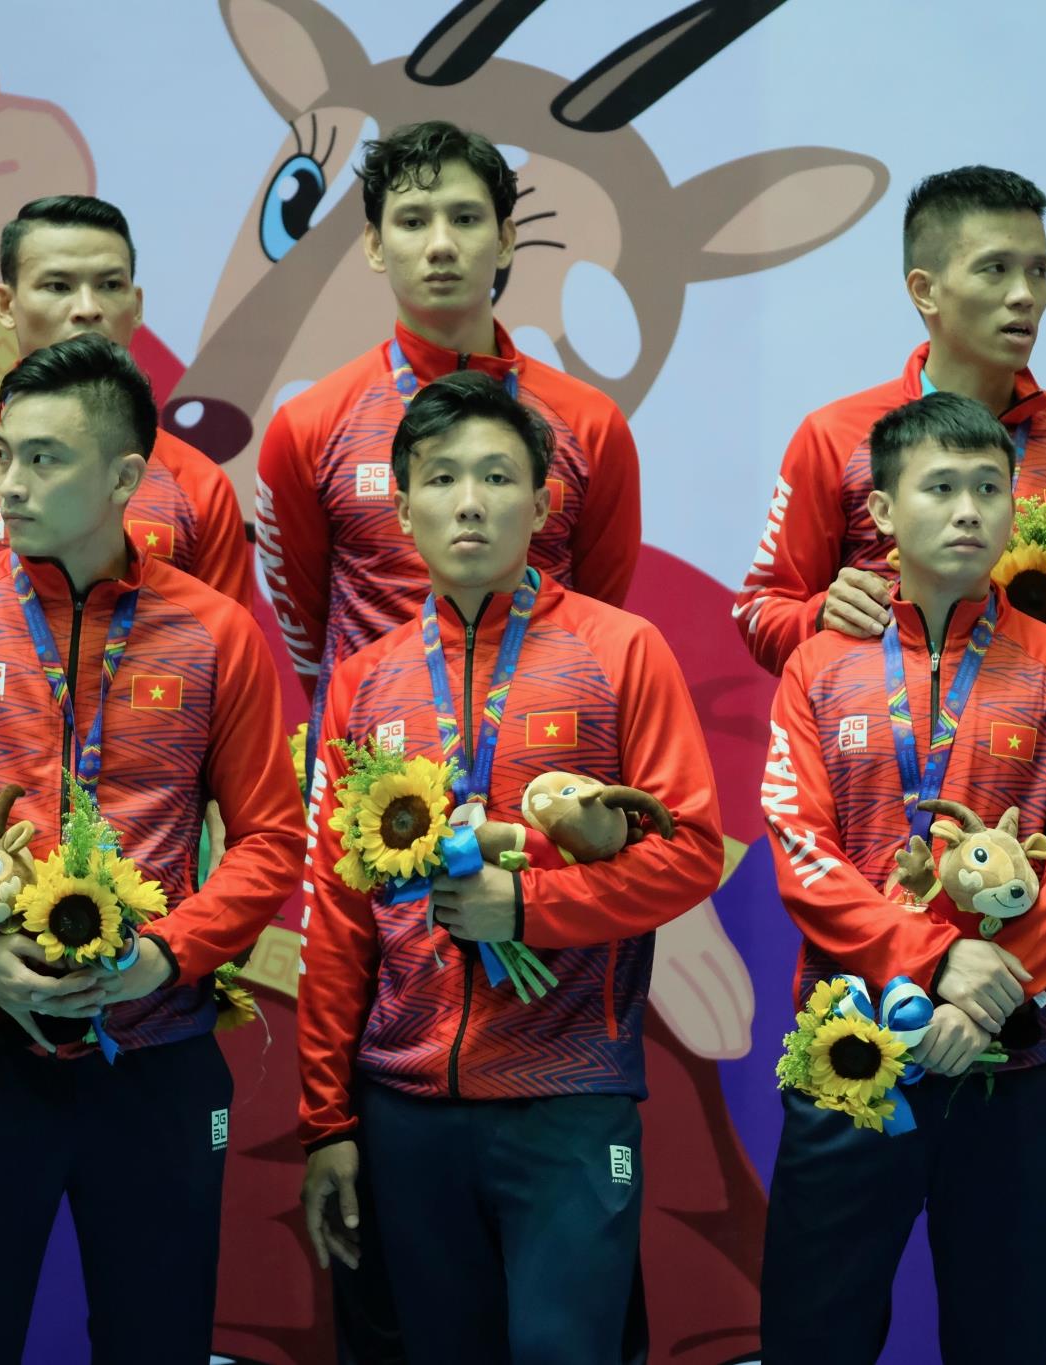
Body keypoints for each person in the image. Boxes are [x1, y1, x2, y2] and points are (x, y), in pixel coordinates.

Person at [0, 334, 304, 1362]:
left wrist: (167, 956)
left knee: (158, 1337)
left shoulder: (217, 633)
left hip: (158, 1055)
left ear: (124, 477)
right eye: (3, 453)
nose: (9, 481)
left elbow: (272, 840)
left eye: (44, 458)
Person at [297, 370, 722, 1365]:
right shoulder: (364, 682)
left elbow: (689, 851)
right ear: (400, 507)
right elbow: (336, 911)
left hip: (568, 1093)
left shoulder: (622, 652)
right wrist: (325, 1118)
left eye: (497, 477)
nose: (470, 501)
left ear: (541, 503)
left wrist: (528, 907)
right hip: (405, 1105)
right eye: (441, 478)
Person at [756, 391, 1046, 1364]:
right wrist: (933, 963)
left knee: (1003, 1338)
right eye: (940, 487)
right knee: (811, 1337)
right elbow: (800, 850)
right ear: (878, 512)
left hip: (1017, 1060)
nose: (967, 510)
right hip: (849, 1055)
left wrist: (987, 1000)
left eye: (988, 489)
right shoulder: (819, 669)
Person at [255, 119, 641, 716]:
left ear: (507, 238)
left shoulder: (591, 423)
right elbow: (306, 630)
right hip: (370, 771)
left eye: (465, 218)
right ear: (375, 245)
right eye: (412, 221)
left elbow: (600, 609)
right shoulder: (308, 427)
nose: (440, 244)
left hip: (547, 752)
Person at [734, 166, 1046, 673]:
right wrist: (820, 617)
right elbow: (759, 610)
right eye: (996, 269)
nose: (1025, 295)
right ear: (925, 290)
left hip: (1045, 742)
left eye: (1039, 270)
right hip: (879, 743)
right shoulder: (834, 437)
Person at [0, 194, 250, 601]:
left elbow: (221, 648)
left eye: (110, 285)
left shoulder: (200, 487)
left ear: (136, 307)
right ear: (5, 304)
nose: (87, 308)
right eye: (58, 286)